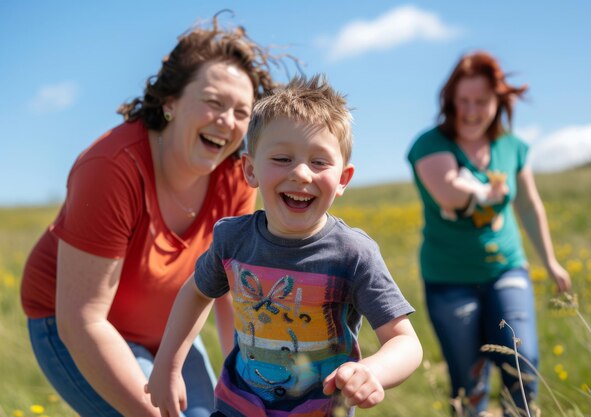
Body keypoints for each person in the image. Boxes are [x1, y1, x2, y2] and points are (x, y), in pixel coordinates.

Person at [20, 15, 281, 417]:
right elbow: (82, 321)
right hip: (74, 326)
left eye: (241, 112)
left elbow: (232, 295)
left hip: (169, 330)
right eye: (213, 101)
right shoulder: (112, 167)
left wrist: (245, 391)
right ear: (170, 100)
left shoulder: (236, 177)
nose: (227, 122)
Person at [146, 75, 423, 417]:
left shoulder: (353, 255)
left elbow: (405, 341)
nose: (302, 174)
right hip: (237, 407)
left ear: (343, 180)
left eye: (319, 162)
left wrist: (372, 371)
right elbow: (197, 292)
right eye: (282, 159)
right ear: (250, 170)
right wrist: (168, 366)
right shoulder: (233, 240)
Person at [407, 51, 571, 416]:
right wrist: (484, 191)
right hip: (449, 278)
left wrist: (551, 260)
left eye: (481, 101)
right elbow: (450, 194)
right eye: (462, 100)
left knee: (522, 362)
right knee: (469, 383)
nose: (470, 110)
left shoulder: (512, 147)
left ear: (498, 101)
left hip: (506, 268)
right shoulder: (430, 145)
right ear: (450, 102)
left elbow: (528, 206)